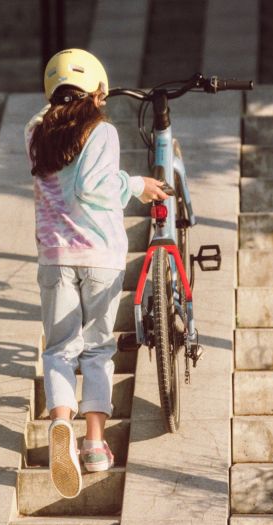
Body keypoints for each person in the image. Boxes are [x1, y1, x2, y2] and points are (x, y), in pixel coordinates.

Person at [26, 49, 169, 499]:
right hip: (100, 256)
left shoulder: (34, 132)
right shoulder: (102, 131)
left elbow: (48, 124)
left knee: (59, 351)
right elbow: (93, 186)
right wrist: (136, 184)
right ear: (98, 91)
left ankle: (60, 423)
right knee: (98, 349)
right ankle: (92, 444)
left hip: (54, 258)